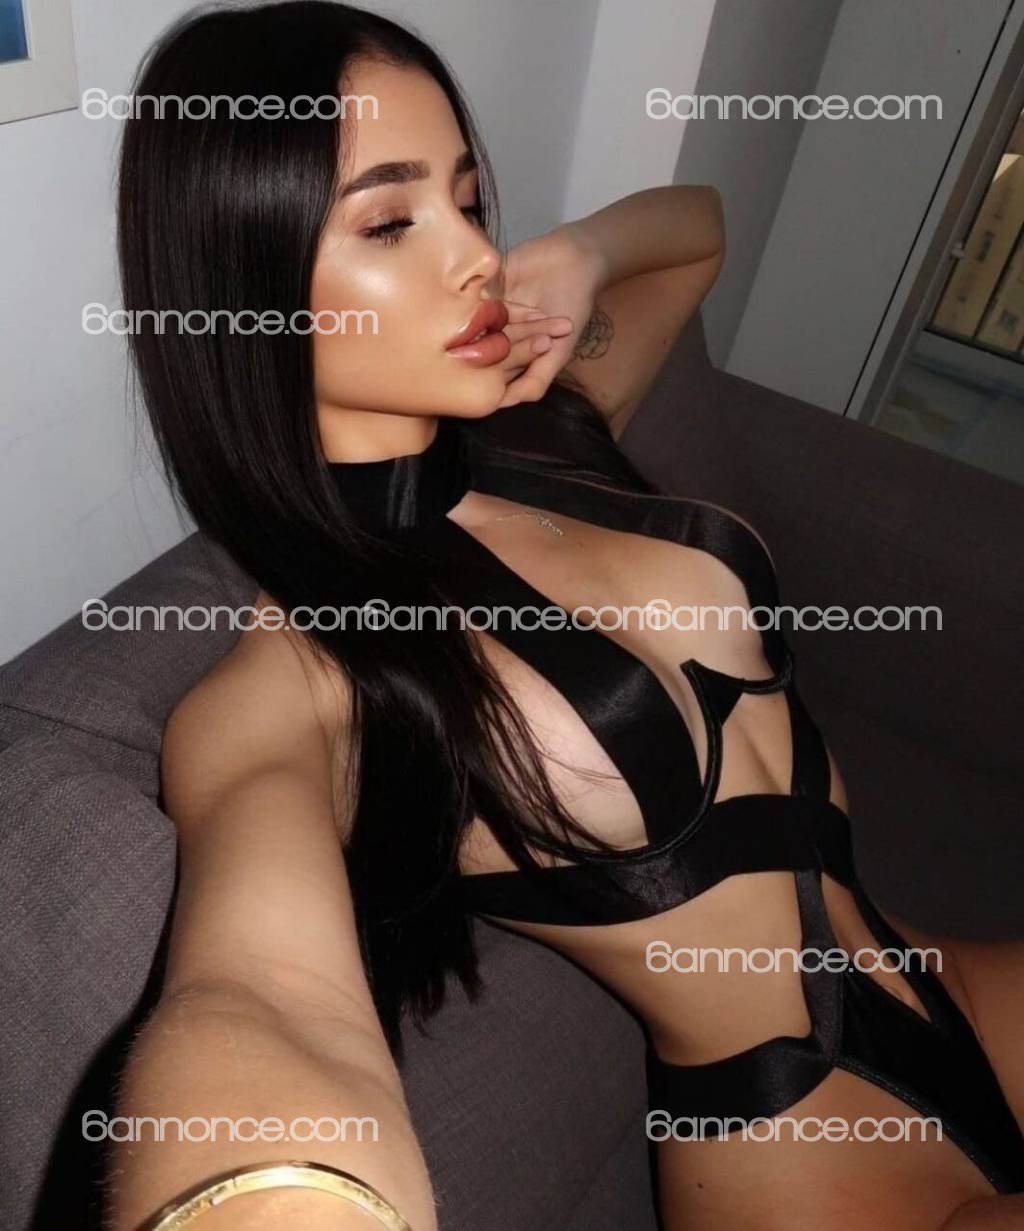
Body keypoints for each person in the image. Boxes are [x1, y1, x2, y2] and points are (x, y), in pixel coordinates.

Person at [106, 4, 1024, 1229]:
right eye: (389, 220)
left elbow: (694, 232)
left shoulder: (544, 418)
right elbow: (259, 994)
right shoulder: (297, 680)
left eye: (468, 198)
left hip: (949, 977)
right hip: (803, 1152)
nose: (477, 256)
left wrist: (580, 253)